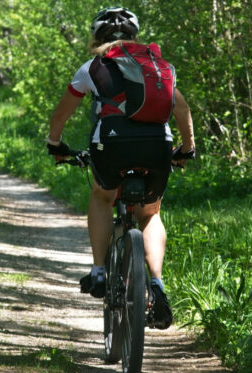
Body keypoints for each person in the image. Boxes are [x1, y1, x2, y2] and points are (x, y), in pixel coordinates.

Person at [45, 7, 195, 329]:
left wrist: (55, 145)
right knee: (150, 214)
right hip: (157, 146)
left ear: (96, 38)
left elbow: (60, 116)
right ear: (134, 36)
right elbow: (181, 108)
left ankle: (99, 271)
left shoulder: (92, 67)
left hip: (110, 145)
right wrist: (186, 149)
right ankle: (156, 284)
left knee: (102, 196)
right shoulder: (158, 66)